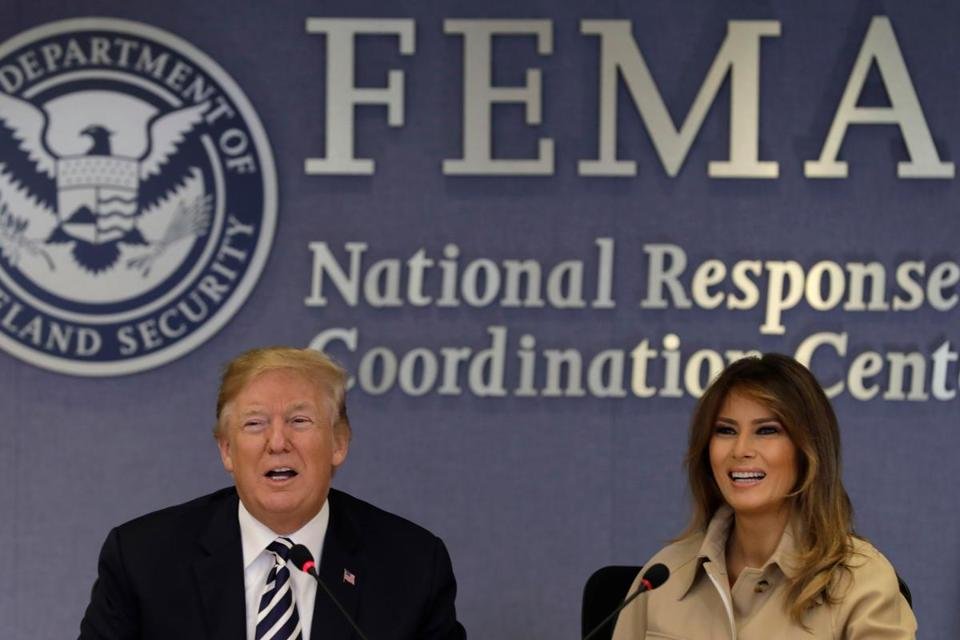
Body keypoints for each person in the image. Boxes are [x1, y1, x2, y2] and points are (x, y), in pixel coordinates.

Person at [80, 347, 467, 640]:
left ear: (339, 442)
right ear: (227, 450)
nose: (278, 442)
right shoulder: (144, 559)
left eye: (299, 420)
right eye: (255, 423)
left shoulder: (411, 566)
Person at [612, 354, 917, 639]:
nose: (741, 449)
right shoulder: (661, 578)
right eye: (725, 430)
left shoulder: (862, 582)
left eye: (767, 431)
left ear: (807, 450)